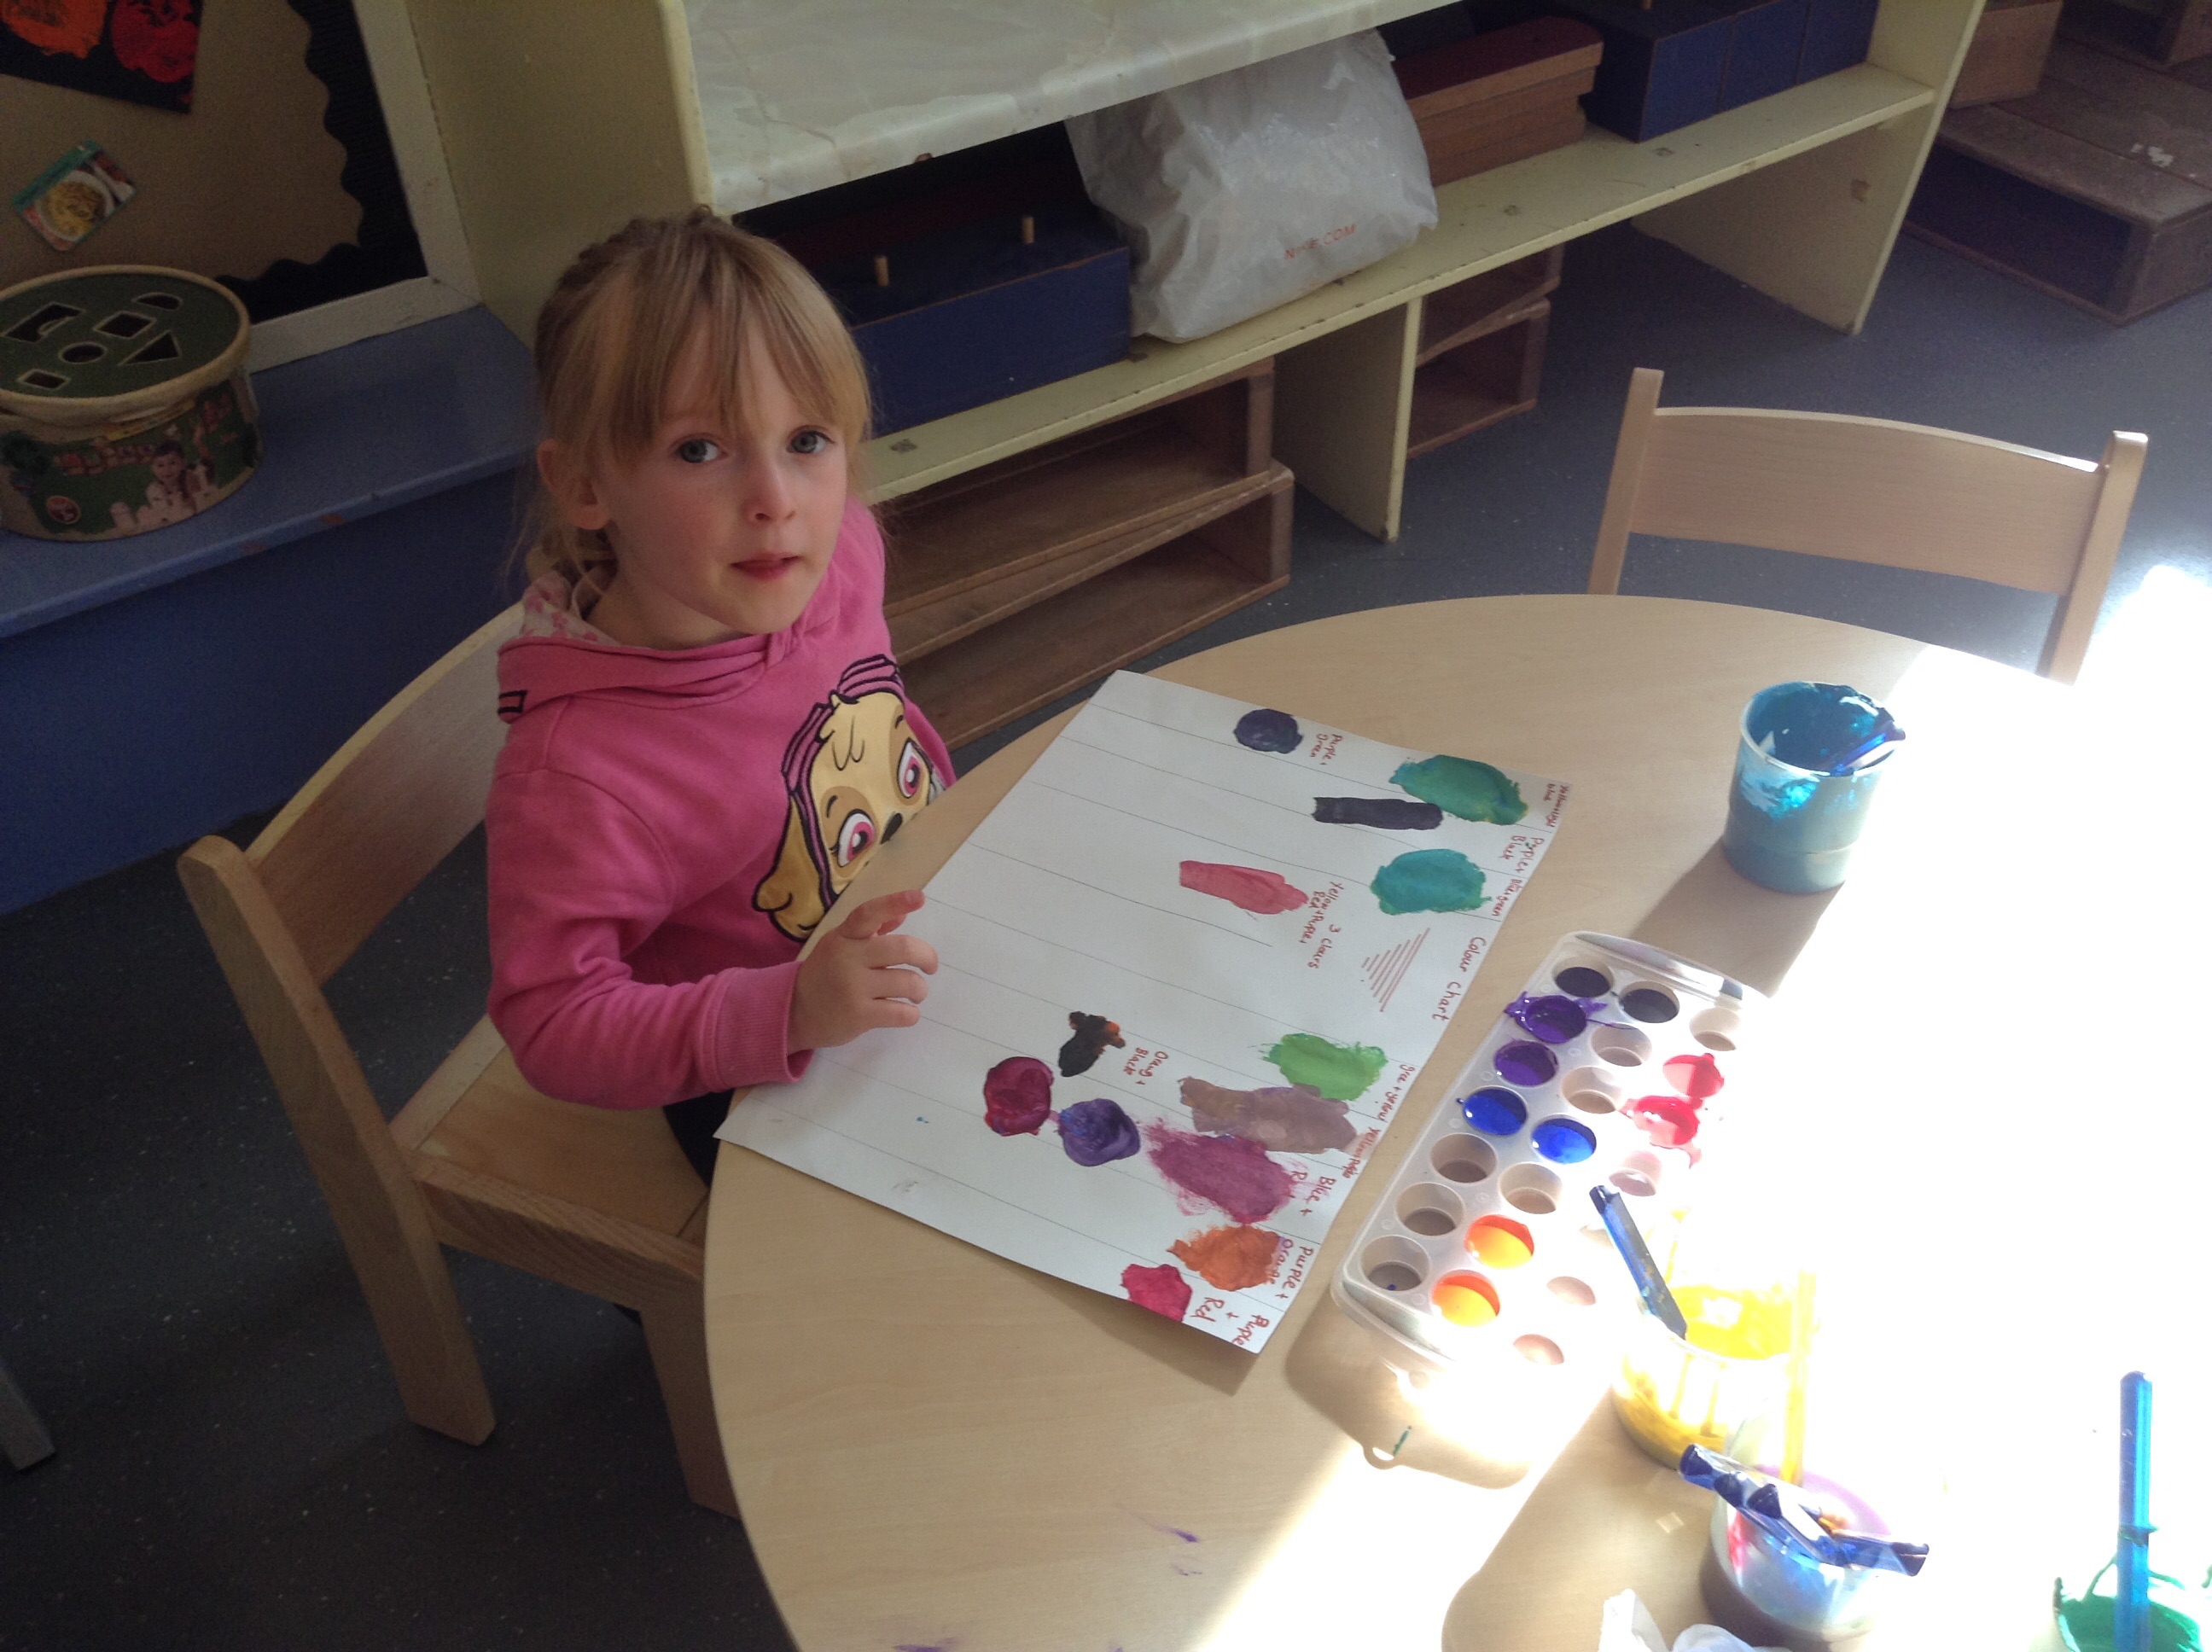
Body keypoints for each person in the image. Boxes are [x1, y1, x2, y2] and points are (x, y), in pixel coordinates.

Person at [486, 210, 951, 1185]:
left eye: (808, 439)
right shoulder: (579, 776)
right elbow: (553, 1022)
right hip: (753, 1076)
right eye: (701, 450)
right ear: (584, 484)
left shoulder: (839, 551)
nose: (777, 499)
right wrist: (790, 1009)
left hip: (915, 942)